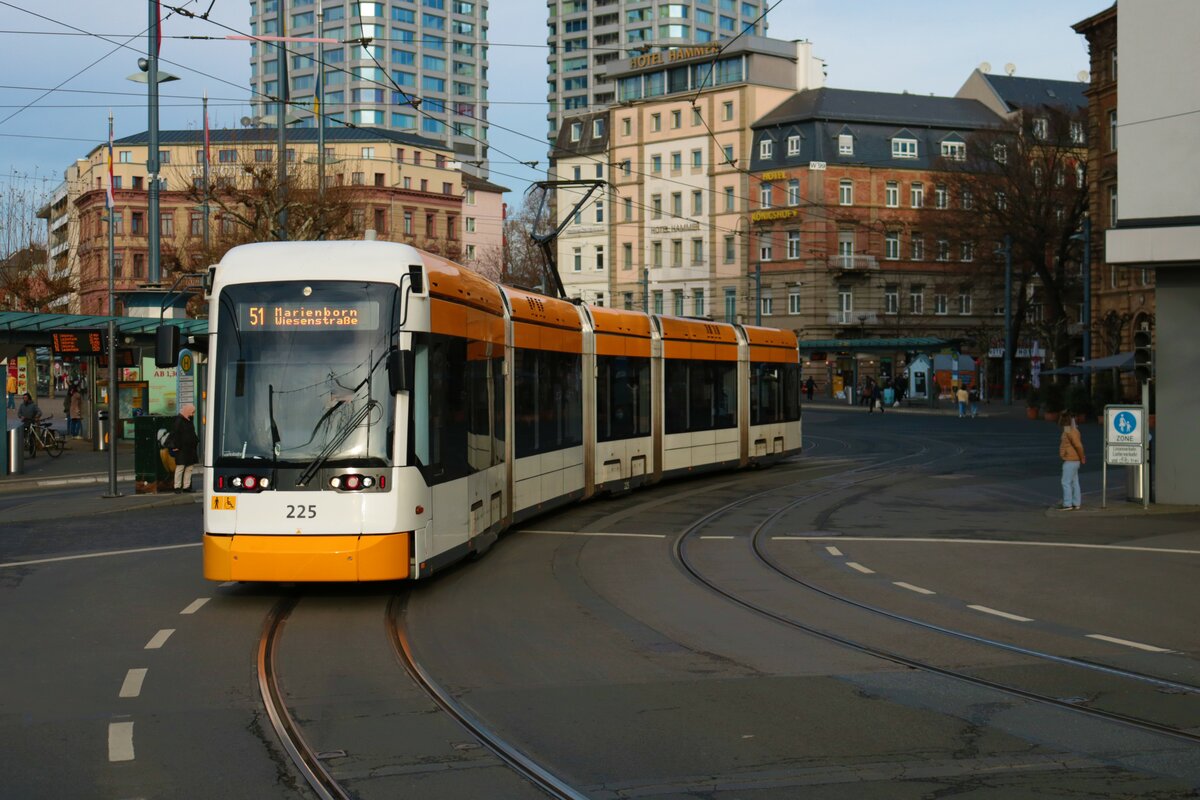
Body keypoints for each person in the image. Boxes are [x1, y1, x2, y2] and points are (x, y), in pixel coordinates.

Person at [169, 403, 200, 493]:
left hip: (189, 448)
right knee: (181, 467)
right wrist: (175, 446)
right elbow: (175, 434)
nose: (193, 414)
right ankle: (177, 487)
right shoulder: (179, 421)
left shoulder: (188, 420)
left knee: (189, 467)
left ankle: (186, 486)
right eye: (192, 412)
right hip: (182, 448)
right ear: (187, 411)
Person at [1058, 414, 1086, 509]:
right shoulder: (1069, 430)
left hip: (1070, 460)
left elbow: (1078, 445)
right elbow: (1066, 441)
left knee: (1066, 482)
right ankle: (1076, 503)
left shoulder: (1070, 431)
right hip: (1073, 460)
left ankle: (1067, 504)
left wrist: (1082, 457)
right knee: (1074, 482)